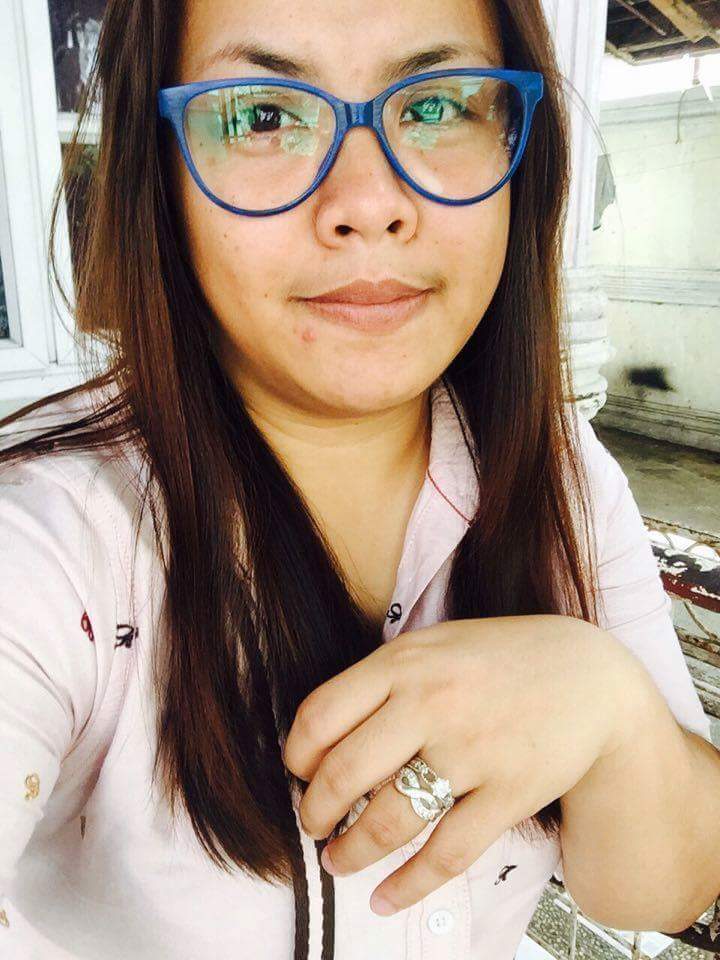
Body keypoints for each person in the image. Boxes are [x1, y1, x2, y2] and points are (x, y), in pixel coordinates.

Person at [1, 1, 719, 958]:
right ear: (157, 173)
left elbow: (661, 889)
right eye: (261, 115)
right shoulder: (50, 543)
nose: (370, 202)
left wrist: (611, 708)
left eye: (435, 104)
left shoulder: (560, 474)